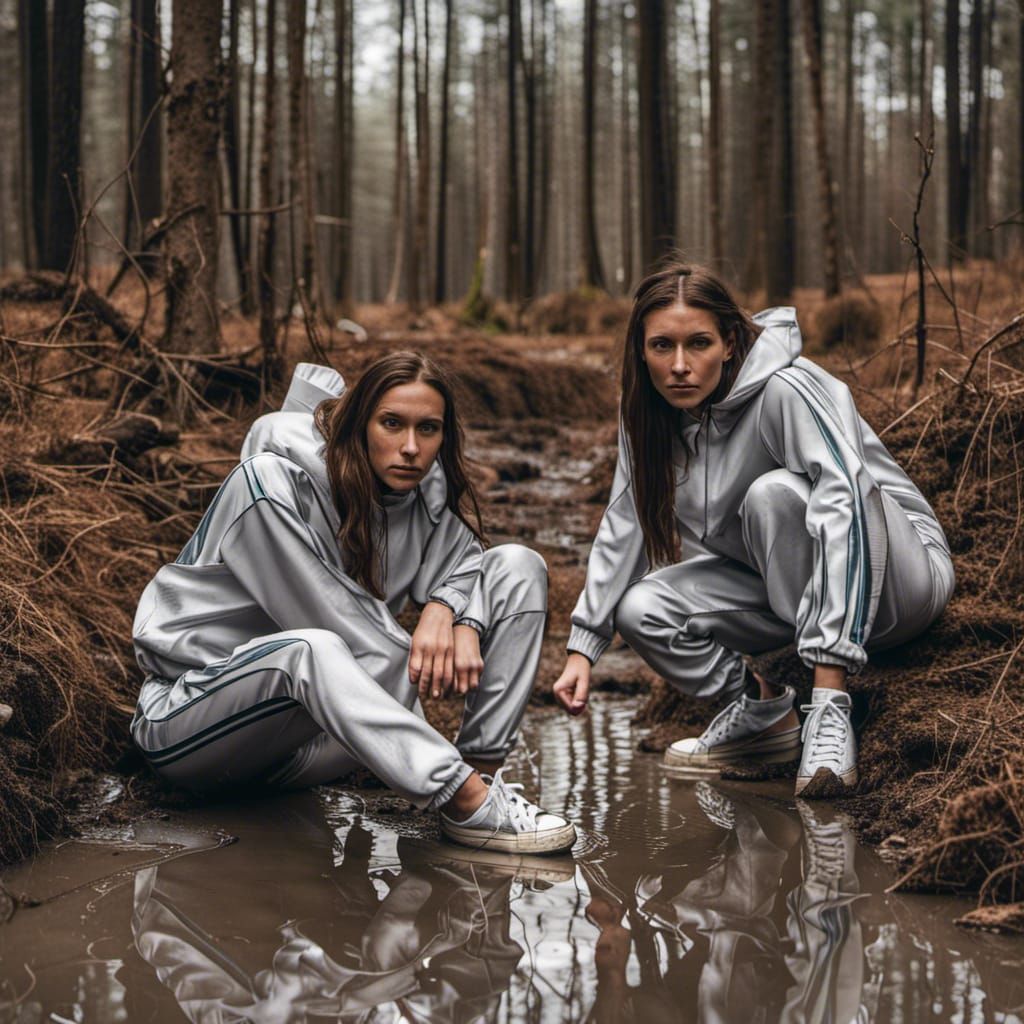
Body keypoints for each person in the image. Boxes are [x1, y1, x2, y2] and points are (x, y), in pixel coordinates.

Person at [131, 352, 576, 853]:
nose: (411, 448)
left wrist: (449, 612)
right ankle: (460, 793)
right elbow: (359, 642)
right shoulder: (265, 487)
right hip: (197, 724)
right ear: (357, 424)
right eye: (391, 424)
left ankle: (481, 781)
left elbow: (472, 563)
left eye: (428, 429)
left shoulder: (417, 497)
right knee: (313, 648)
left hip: (306, 750)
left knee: (518, 566)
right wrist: (420, 659)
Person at [552, 263, 954, 795]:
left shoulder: (787, 388)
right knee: (642, 609)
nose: (678, 366)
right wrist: (585, 644)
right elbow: (623, 523)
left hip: (900, 581)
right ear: (639, 350)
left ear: (729, 342)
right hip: (791, 588)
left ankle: (828, 711)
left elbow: (849, 503)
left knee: (773, 495)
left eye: (697, 343)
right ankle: (767, 711)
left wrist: (829, 680)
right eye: (661, 346)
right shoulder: (649, 419)